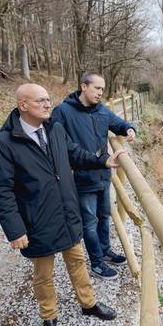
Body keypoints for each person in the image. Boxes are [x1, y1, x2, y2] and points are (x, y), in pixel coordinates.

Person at [0, 83, 124, 326]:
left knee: (77, 261)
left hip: (66, 212)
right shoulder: (2, 145)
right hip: (37, 219)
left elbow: (73, 153)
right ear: (23, 105)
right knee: (43, 274)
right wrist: (15, 229)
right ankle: (49, 317)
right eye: (41, 101)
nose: (48, 105)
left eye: (48, 99)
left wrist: (102, 160)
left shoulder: (54, 129)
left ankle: (89, 303)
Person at [51, 72, 136, 280]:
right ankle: (97, 263)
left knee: (104, 216)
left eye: (102, 89)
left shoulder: (102, 111)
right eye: (97, 88)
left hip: (103, 176)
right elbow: (64, 146)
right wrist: (94, 161)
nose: (100, 93)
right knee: (89, 221)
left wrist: (129, 128)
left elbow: (118, 123)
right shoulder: (63, 112)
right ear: (84, 86)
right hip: (82, 178)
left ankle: (105, 250)